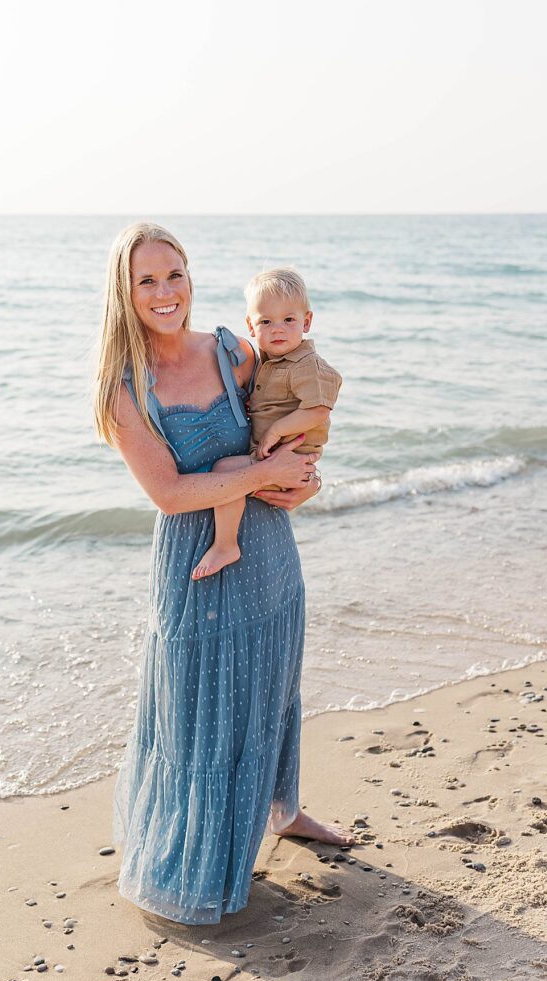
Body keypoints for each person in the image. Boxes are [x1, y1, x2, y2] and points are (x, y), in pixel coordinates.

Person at [94, 222, 355, 926]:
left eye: (173, 274)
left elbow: (292, 420)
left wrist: (303, 479)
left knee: (271, 687)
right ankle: (197, 857)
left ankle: (285, 811)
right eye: (146, 279)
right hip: (192, 561)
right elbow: (171, 495)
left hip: (266, 543)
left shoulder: (232, 352)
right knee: (196, 713)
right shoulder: (125, 391)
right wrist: (267, 469)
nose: (164, 291)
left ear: (189, 276)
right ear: (125, 290)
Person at [192, 267, 342, 580]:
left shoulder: (307, 365)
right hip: (281, 461)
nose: (278, 329)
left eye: (289, 320)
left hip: (290, 462)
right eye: (266, 321)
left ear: (307, 321)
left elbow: (317, 411)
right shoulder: (268, 363)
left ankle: (226, 545)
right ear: (250, 325)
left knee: (224, 471)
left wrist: (275, 429)